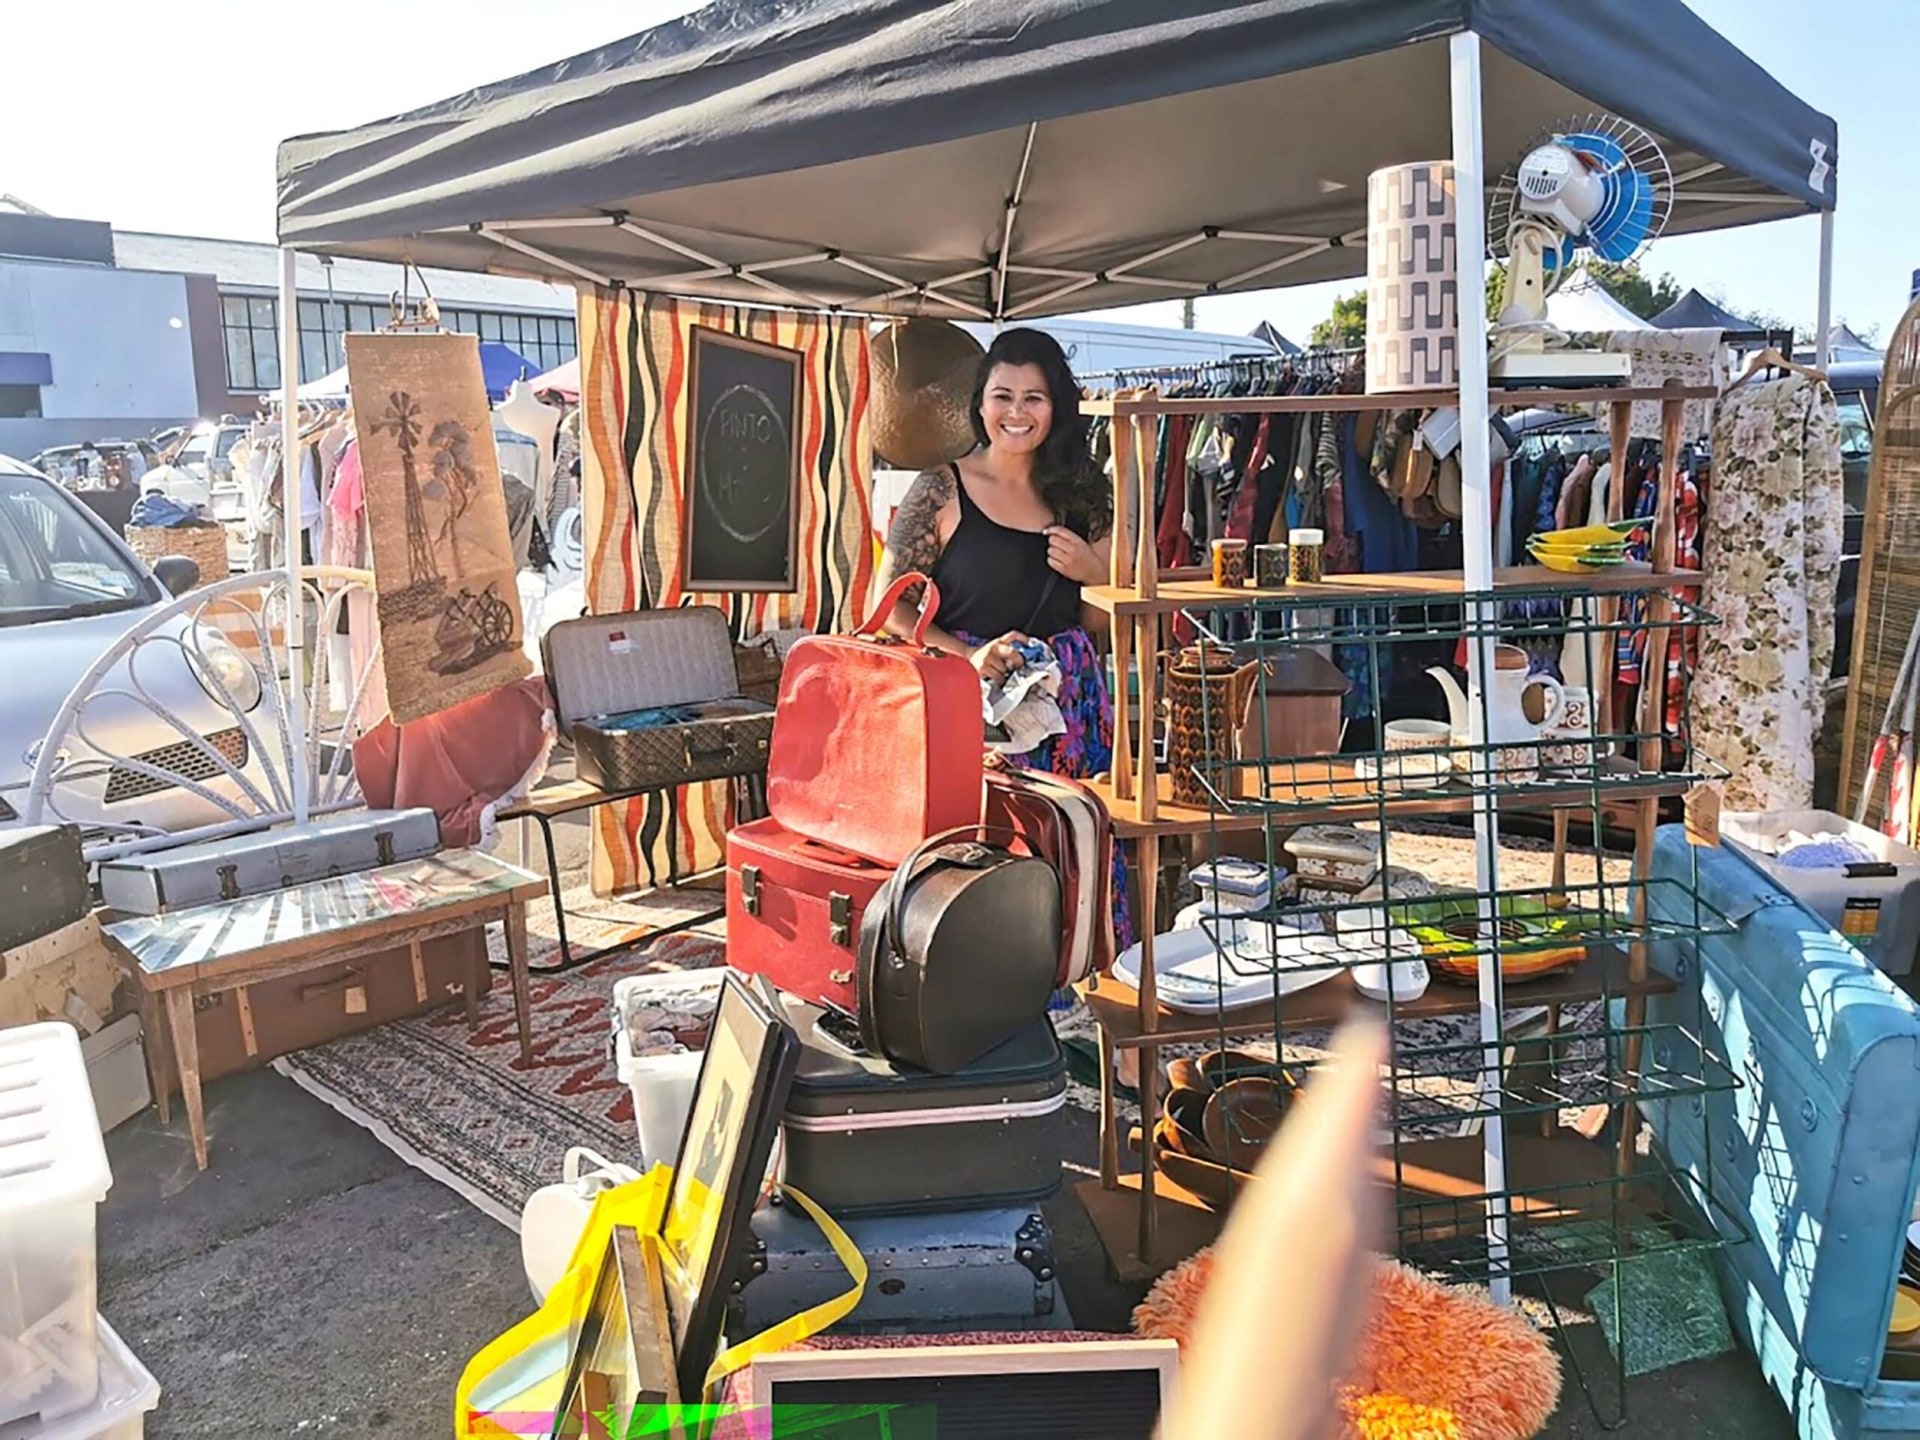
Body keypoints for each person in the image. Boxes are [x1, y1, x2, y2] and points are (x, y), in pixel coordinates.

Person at [877, 326, 1130, 945]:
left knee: (1073, 851)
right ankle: (983, 994)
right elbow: (888, 608)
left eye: (1034, 398)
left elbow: (1099, 624)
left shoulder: (1084, 496)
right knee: (981, 860)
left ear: (1057, 407)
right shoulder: (942, 485)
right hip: (972, 710)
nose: (1016, 413)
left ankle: (1076, 988)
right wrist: (968, 656)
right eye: (1003, 396)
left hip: (1071, 707)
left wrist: (1094, 574)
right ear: (981, 403)